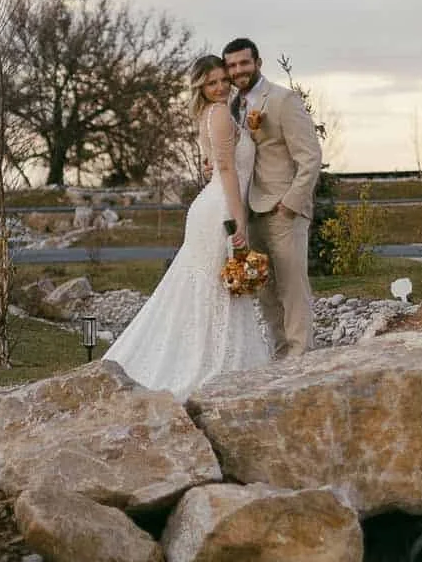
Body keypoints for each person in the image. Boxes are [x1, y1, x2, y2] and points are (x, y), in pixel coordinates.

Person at [102, 55, 270, 396]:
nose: (221, 86)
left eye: (224, 79)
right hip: (222, 208)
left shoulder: (212, 113)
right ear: (201, 88)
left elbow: (218, 163)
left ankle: (206, 357)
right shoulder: (220, 113)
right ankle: (209, 364)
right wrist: (239, 221)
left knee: (204, 290)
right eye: (212, 83)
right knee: (216, 289)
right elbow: (225, 170)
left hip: (213, 203)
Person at [222, 37, 322, 357]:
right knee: (265, 290)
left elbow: (310, 157)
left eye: (244, 63)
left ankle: (300, 357)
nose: (239, 70)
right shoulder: (231, 105)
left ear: (258, 62)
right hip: (250, 212)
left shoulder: (281, 99)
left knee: (292, 288)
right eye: (232, 65)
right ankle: (282, 357)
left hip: (283, 210)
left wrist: (291, 204)